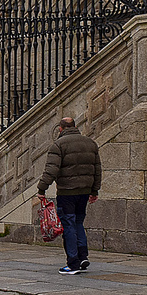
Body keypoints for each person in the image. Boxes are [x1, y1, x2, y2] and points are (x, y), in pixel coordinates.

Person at [37, 116, 101, 275]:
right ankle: (83, 256)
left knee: (69, 225)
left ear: (60, 128)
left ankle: (73, 263)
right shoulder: (90, 143)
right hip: (84, 192)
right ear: (75, 126)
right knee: (78, 223)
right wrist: (94, 190)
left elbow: (51, 170)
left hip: (67, 192)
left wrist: (41, 189)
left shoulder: (58, 145)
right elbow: (97, 170)